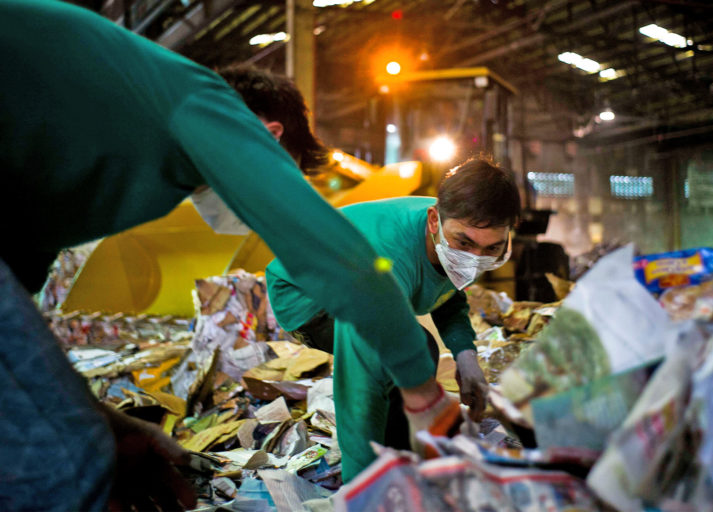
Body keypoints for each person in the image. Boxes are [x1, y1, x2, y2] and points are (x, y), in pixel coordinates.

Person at [0, 1, 437, 509]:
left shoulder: (80, 153)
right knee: (67, 470)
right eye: (282, 177)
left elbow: (19, 325)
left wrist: (96, 414)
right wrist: (422, 389)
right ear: (268, 137)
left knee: (73, 449)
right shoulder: (202, 101)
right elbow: (341, 260)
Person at [266, 158, 522, 481]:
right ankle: (383, 465)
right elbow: (359, 380)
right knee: (405, 353)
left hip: (349, 273)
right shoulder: (389, 258)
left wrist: (466, 356)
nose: (475, 260)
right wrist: (361, 486)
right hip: (303, 292)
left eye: (493, 248)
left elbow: (447, 291)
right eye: (465, 244)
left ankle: (399, 456)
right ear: (434, 221)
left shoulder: (458, 227)